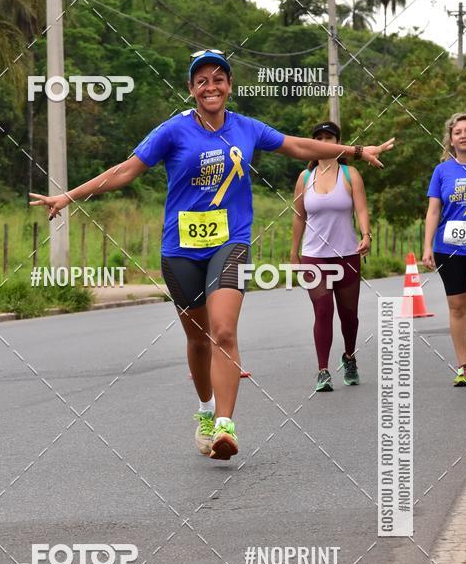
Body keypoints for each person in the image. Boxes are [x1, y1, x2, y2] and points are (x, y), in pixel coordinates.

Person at [30, 50, 394, 459]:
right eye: (201, 80)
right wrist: (69, 196)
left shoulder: (247, 128)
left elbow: (296, 145)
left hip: (230, 243)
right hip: (181, 250)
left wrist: (356, 151)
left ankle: (225, 425)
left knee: (223, 331)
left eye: (218, 79)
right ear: (191, 90)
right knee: (198, 338)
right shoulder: (173, 131)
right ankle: (205, 410)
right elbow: (126, 170)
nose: (211, 86)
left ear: (230, 86)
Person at [290, 121, 371, 392]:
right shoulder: (305, 178)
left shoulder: (350, 174)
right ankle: (323, 370)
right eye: (319, 138)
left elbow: (361, 209)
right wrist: (293, 253)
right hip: (314, 256)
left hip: (347, 254)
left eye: (329, 137)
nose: (324, 142)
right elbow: (298, 216)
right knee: (323, 311)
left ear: (339, 143)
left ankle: (349, 357)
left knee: (349, 315)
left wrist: (366, 235)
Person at [422, 113, 466, 386]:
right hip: (448, 247)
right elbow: (433, 210)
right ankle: (463, 365)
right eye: (457, 131)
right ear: (451, 139)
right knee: (457, 307)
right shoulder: (442, 171)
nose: (463, 135)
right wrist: (426, 247)